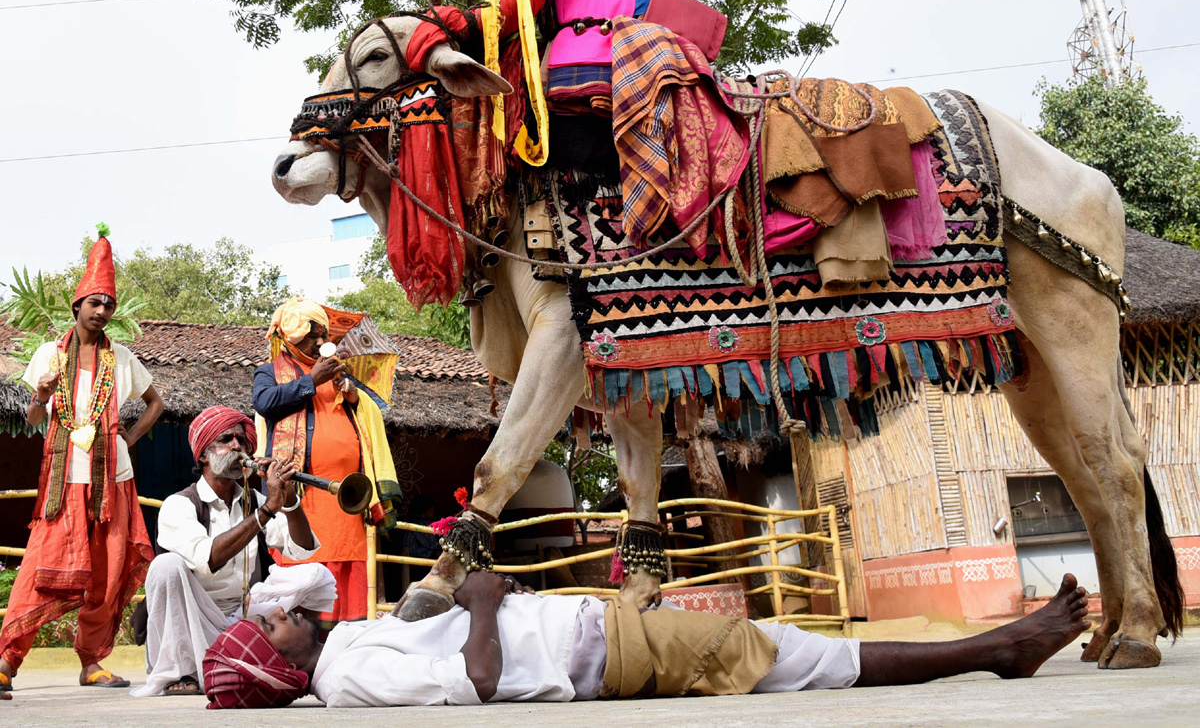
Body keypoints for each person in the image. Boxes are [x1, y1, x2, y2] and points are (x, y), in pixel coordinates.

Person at [201, 570, 1093, 709]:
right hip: (604, 654)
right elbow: (474, 687)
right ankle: (997, 649)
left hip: (596, 628)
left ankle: (997, 646)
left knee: (787, 650)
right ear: (280, 657)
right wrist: (479, 604)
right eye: (270, 620)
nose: (283, 609)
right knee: (795, 655)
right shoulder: (350, 682)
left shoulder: (351, 643)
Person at [0, 226, 164, 691]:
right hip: (63, 484)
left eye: (108, 305)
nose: (102, 311)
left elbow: (156, 403)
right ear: (77, 306)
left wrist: (128, 438)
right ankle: (7, 662)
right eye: (94, 302)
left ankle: (92, 663)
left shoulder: (123, 358)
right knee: (39, 569)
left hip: (113, 481)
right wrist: (43, 393)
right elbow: (34, 417)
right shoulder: (48, 355)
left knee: (108, 572)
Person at [133, 406, 332, 698]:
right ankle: (181, 671)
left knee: (317, 575)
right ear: (203, 455)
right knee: (166, 566)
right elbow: (209, 558)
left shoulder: (254, 500)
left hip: (245, 618)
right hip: (193, 620)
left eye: (242, 440)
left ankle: (297, 659)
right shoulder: (179, 505)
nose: (237, 446)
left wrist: (289, 501)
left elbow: (301, 548)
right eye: (226, 439)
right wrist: (266, 512)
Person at [253, 299, 397, 623]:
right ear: (290, 338)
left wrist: (353, 397)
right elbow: (264, 403)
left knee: (350, 572)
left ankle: (348, 645)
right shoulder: (270, 373)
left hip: (347, 497)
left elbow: (367, 418)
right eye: (312, 336)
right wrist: (311, 381)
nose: (321, 342)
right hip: (302, 497)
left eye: (323, 335)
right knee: (305, 566)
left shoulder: (336, 370)